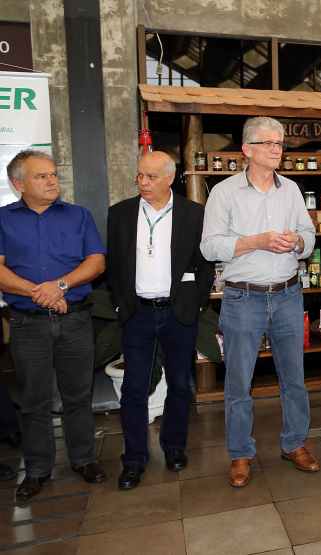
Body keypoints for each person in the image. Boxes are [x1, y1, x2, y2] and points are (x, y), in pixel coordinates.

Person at [201, 117, 319, 487]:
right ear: (246, 150)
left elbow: (309, 235)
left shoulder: (292, 190)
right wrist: (257, 241)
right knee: (239, 382)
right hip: (243, 297)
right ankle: (240, 453)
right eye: (267, 143)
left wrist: (297, 242)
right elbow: (209, 247)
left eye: (279, 144)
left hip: (288, 294)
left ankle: (294, 443)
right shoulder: (224, 192)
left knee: (294, 378)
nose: (275, 149)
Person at [0, 150, 107, 500]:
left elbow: (96, 262)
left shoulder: (79, 215)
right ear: (19, 184)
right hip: (27, 324)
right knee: (34, 398)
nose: (52, 181)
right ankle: (36, 468)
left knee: (78, 395)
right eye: (41, 176)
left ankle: (83, 459)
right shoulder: (3, 219)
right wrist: (42, 292)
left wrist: (59, 286)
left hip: (75, 320)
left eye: (53, 174)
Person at [107, 151, 214, 490]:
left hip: (178, 313)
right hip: (137, 314)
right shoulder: (120, 213)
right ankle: (134, 459)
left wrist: (196, 303)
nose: (143, 182)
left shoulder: (193, 213)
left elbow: (205, 263)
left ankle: (174, 447)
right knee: (134, 388)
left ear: (170, 178)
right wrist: (121, 306)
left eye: (151, 176)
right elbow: (113, 265)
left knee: (180, 385)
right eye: (140, 175)